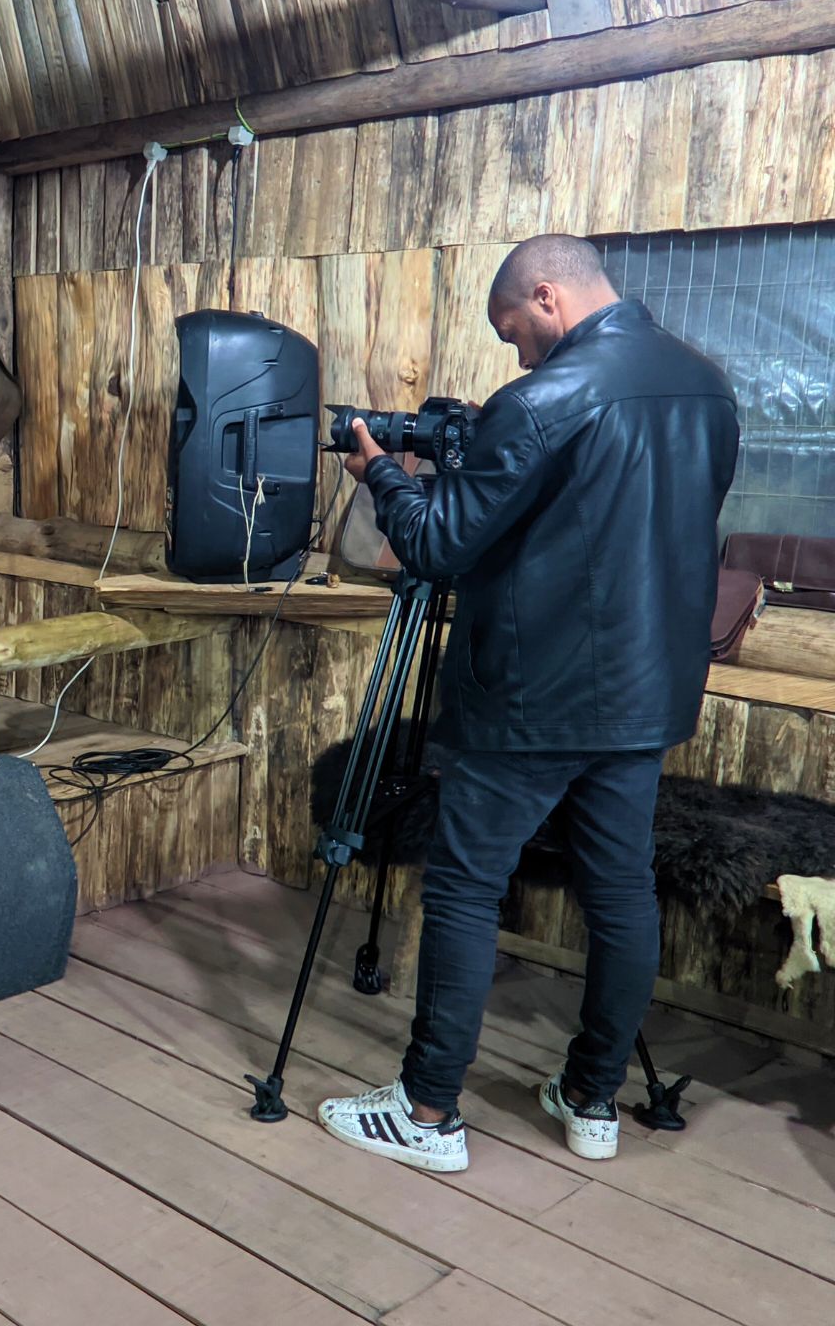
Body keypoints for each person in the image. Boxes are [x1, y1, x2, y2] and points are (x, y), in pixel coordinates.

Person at [316, 234, 740, 1171]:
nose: (517, 357)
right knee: (621, 892)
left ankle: (427, 1114)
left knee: (467, 885)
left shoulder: (543, 399)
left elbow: (435, 544)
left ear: (548, 297)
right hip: (649, 693)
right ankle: (593, 1100)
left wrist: (380, 470)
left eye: (516, 334)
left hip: (532, 702)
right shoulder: (708, 386)